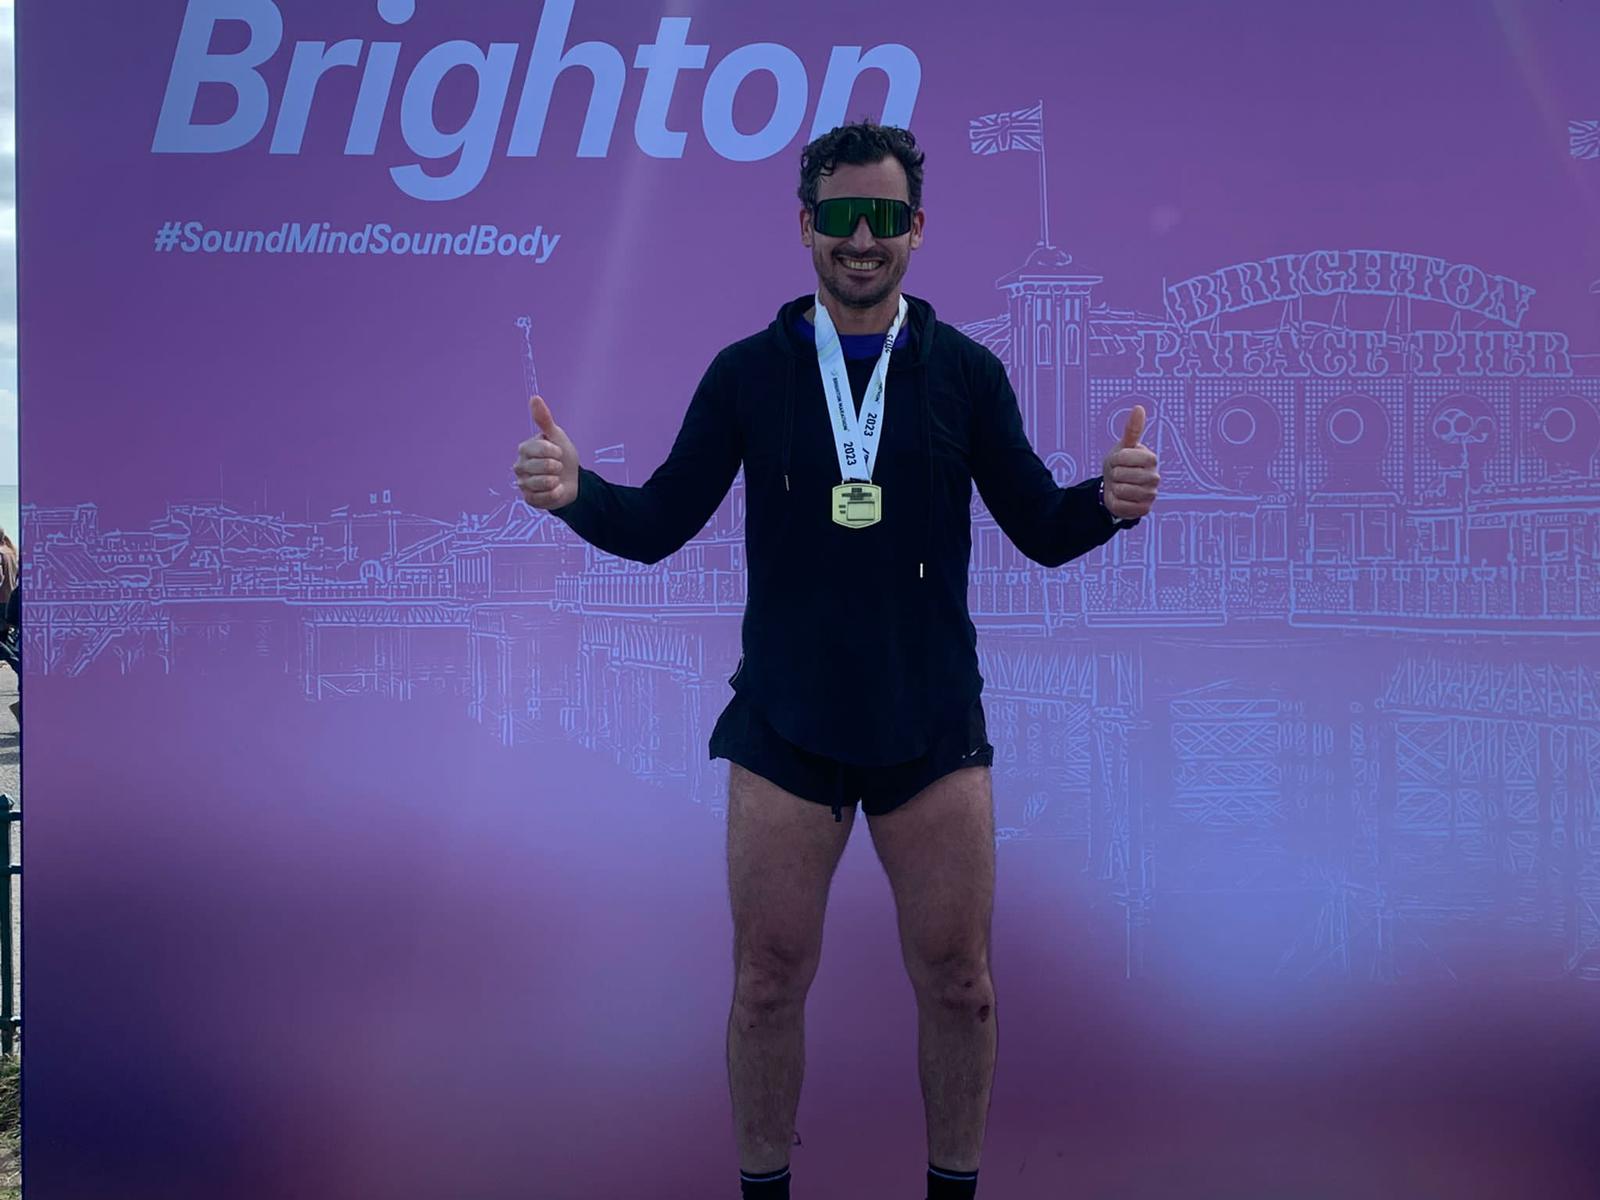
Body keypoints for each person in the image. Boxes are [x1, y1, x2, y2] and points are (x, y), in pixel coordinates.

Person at [514, 122, 1161, 1200]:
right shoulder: (747, 376)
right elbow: (659, 520)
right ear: (805, 225)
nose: (862, 240)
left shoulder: (964, 374)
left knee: (962, 987)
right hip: (784, 727)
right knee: (765, 986)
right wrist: (577, 492)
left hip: (931, 727)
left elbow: (1042, 528)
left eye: (886, 218)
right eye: (841, 217)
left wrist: (1109, 502)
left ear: (918, 230)